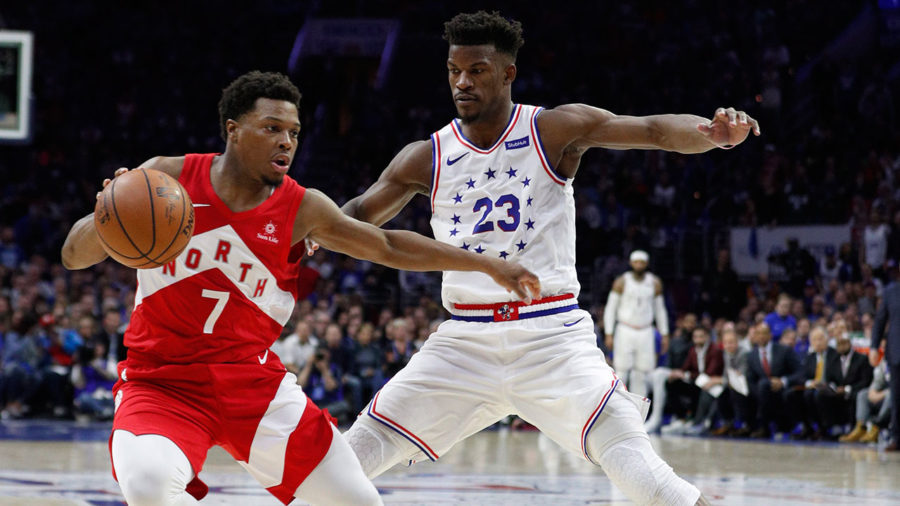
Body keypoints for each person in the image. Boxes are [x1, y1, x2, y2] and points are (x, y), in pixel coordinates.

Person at [60, 71, 539, 506]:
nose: (286, 141)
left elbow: (389, 245)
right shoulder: (166, 177)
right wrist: (109, 212)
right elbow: (73, 255)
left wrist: (488, 266)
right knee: (148, 489)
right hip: (161, 383)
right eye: (271, 128)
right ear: (233, 130)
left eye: (293, 132)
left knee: (360, 503)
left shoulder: (302, 208)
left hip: (253, 385)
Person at [337, 11, 758, 505]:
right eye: (454, 71)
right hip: (463, 341)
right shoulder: (425, 156)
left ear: (508, 73)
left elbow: (652, 130)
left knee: (647, 478)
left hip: (551, 335)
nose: (462, 82)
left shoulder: (553, 129)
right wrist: (306, 233)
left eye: (477, 70)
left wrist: (711, 132)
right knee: (350, 455)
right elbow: (356, 215)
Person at [604, 250, 669, 398]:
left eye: (642, 262)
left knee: (643, 371)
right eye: (636, 262)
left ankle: (639, 413)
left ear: (646, 264)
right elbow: (610, 308)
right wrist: (609, 332)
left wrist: (664, 333)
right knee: (621, 369)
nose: (639, 265)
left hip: (646, 330)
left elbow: (660, 310)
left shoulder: (654, 282)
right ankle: (618, 405)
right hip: (625, 329)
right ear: (631, 263)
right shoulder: (622, 281)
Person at [871, 268, 900, 451]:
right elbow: (880, 320)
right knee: (897, 396)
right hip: (896, 351)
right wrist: (874, 346)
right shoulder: (890, 291)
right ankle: (897, 437)